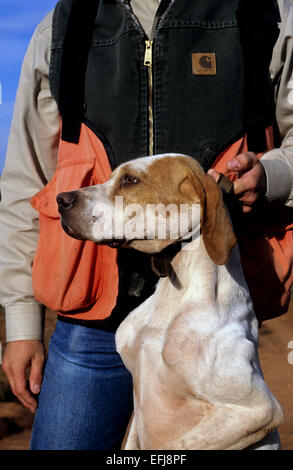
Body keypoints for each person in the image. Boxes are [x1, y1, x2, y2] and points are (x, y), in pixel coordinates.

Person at [0, 0, 292, 450]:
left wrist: (272, 175)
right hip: (90, 324)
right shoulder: (62, 25)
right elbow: (26, 178)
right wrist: (21, 323)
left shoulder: (268, 12)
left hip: (211, 314)